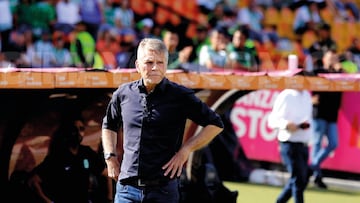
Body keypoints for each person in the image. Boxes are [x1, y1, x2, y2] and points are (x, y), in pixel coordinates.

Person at [101, 38, 224, 203]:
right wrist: (110, 157)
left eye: (160, 62)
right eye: (149, 62)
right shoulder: (123, 93)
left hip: (163, 191)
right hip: (126, 190)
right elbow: (109, 125)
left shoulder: (181, 96)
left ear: (166, 65)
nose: (155, 68)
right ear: (137, 65)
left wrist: (185, 151)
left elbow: (215, 124)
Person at [28, 119, 108, 203]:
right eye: (74, 129)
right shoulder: (58, 156)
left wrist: (109, 198)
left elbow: (106, 173)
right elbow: (33, 181)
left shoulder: (86, 152)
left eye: (81, 129)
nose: (78, 133)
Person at [268, 88, 313, 203]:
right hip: (289, 143)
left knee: (302, 178)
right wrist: (286, 124)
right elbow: (272, 120)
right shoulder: (286, 95)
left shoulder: (307, 95)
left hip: (304, 143)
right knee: (298, 179)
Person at [310, 50, 343, 189]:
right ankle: (317, 176)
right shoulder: (319, 72)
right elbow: (308, 79)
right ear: (324, 59)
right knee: (317, 143)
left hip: (332, 115)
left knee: (334, 143)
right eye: (329, 58)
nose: (332, 60)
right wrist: (311, 98)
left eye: (334, 58)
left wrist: (339, 70)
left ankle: (311, 167)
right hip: (319, 113)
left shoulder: (340, 74)